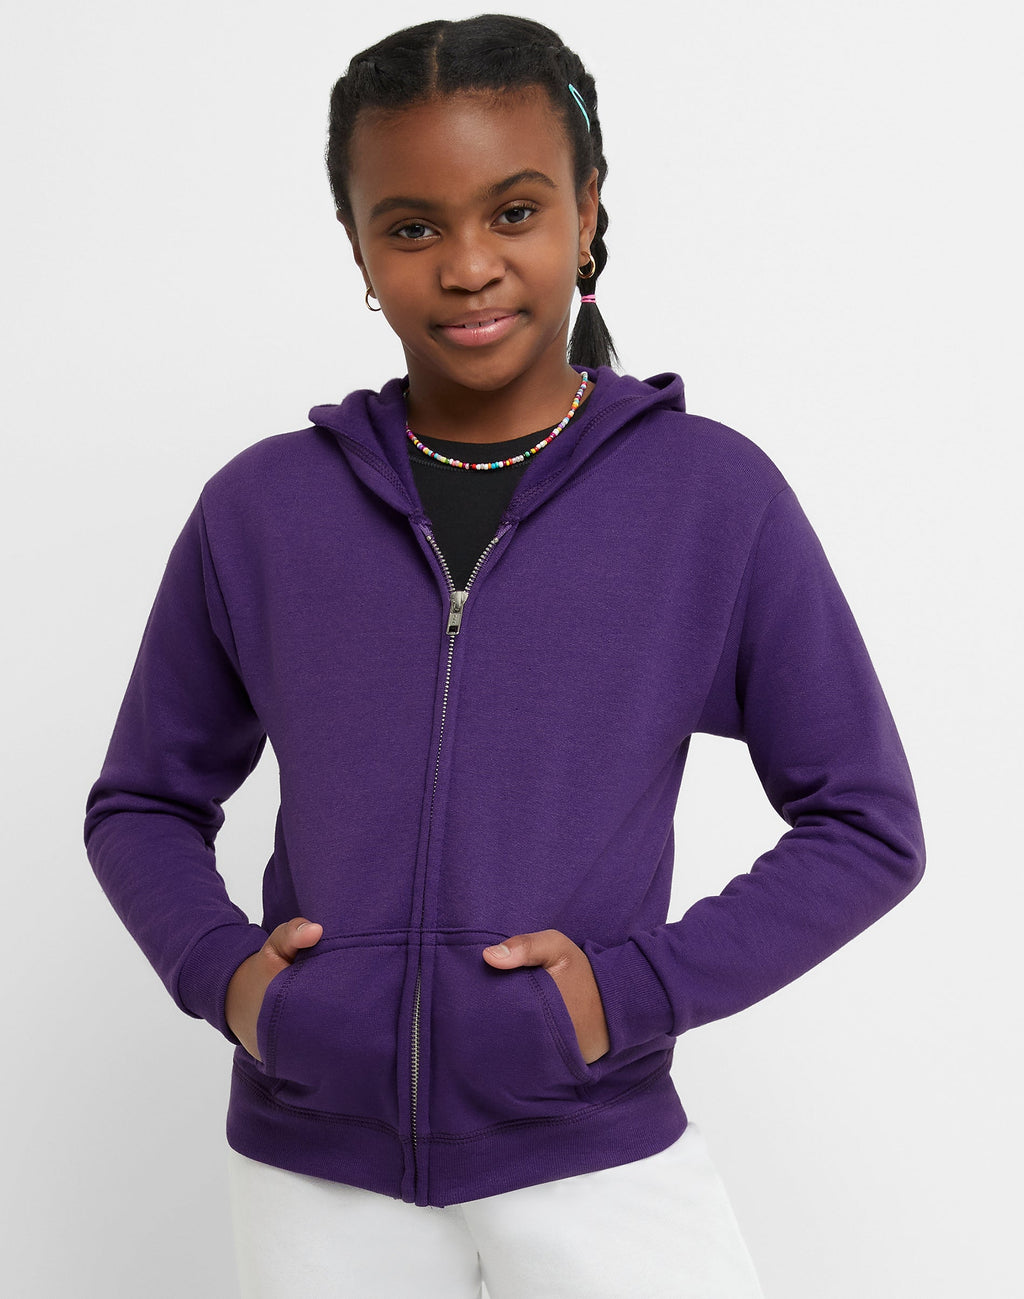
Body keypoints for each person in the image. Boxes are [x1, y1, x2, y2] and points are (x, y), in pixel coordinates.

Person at [83, 14, 926, 1298]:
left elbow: (865, 823)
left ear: (589, 215)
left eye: (515, 212)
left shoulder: (708, 498)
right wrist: (234, 981)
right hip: (315, 1166)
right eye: (412, 227)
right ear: (359, 251)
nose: (468, 265)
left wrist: (623, 998)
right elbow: (142, 801)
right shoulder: (263, 510)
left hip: (593, 1152)